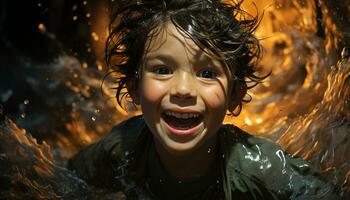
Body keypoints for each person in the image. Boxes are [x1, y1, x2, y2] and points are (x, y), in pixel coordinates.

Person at [67, 0, 339, 199]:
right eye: (162, 70)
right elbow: (67, 180)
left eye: (207, 73)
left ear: (235, 96)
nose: (183, 89)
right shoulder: (123, 148)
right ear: (134, 88)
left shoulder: (254, 166)